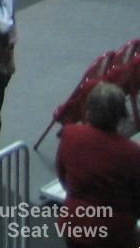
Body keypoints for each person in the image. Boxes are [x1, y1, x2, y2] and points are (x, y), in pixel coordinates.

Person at [55, 81, 140, 246]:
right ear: (120, 115)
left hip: (75, 224)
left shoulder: (70, 134)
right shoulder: (132, 152)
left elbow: (63, 177)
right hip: (114, 233)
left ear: (88, 110)